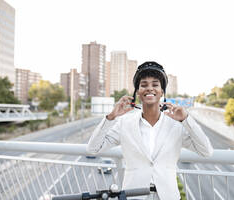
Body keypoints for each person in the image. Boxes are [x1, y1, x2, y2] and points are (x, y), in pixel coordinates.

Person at [86, 61, 214, 200]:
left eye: (155, 84)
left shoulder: (176, 125)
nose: (149, 88)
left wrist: (186, 119)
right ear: (137, 92)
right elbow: (93, 149)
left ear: (162, 91)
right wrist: (110, 117)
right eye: (144, 85)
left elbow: (206, 151)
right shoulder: (125, 123)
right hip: (133, 195)